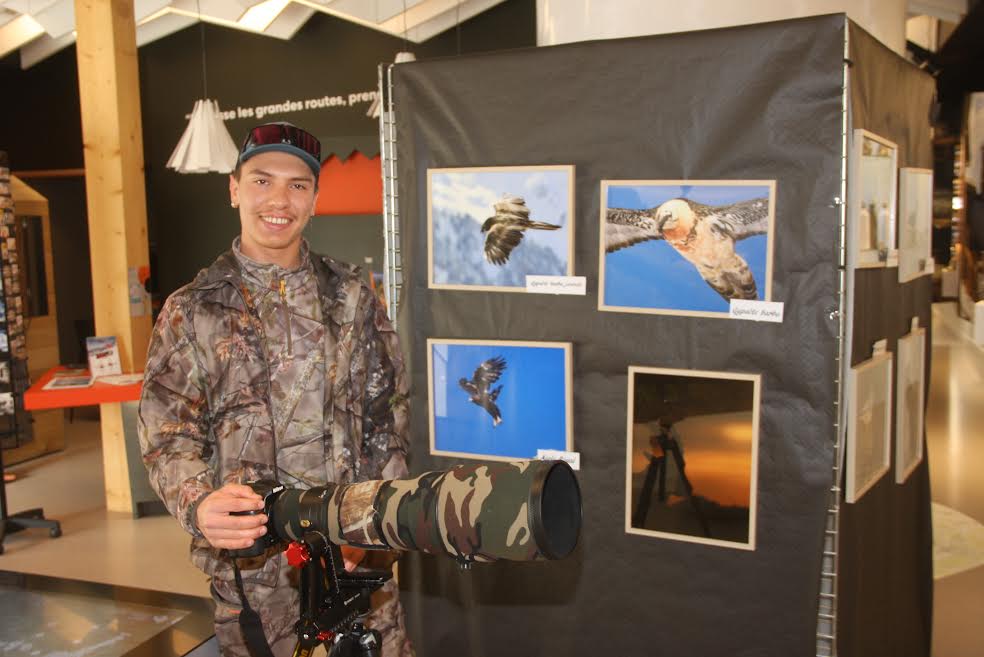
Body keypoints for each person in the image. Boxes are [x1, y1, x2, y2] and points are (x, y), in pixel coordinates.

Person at [138, 122, 413, 657]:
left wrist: (368, 526)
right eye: (262, 181)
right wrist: (199, 503)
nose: (279, 201)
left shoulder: (352, 297)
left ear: (314, 198)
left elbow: (390, 420)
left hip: (356, 559)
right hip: (252, 573)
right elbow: (167, 435)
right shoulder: (192, 309)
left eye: (298, 185)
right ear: (234, 189)